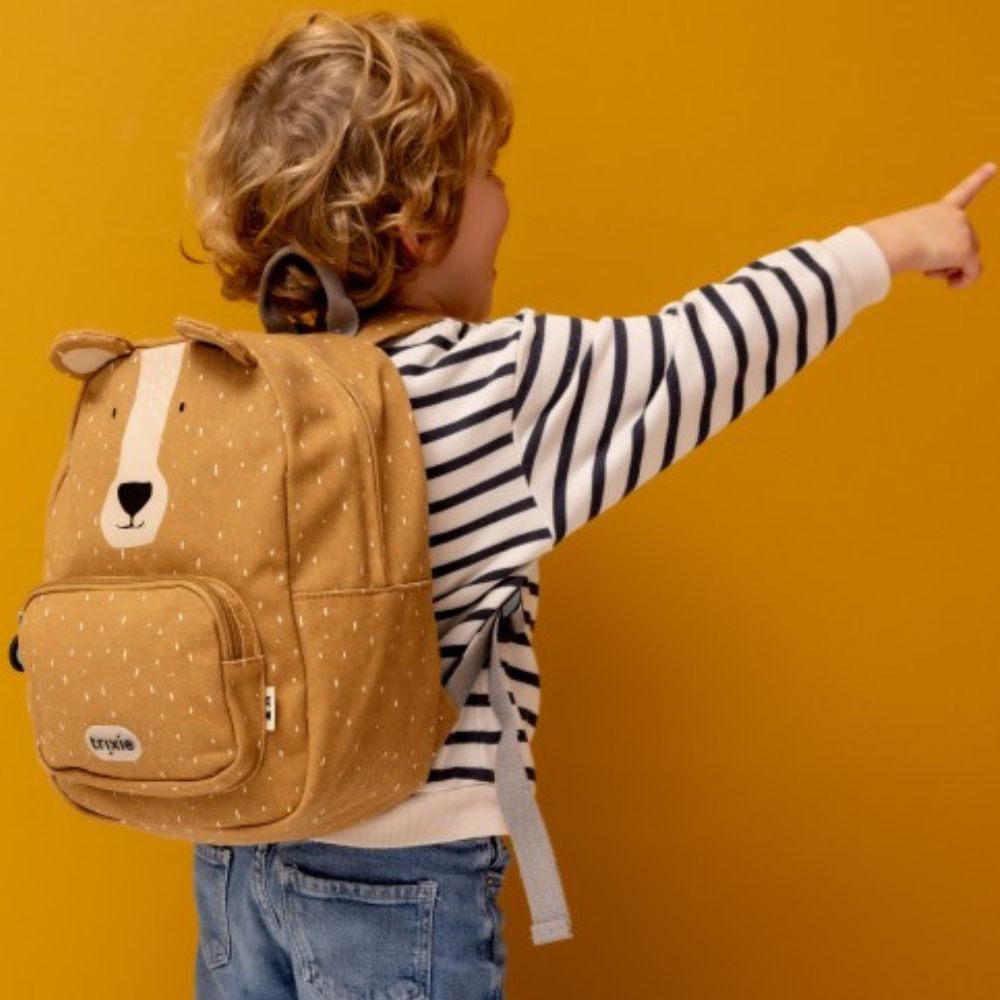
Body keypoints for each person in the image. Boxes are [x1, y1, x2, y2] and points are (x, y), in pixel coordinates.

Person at [183, 9, 993, 999]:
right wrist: (893, 242)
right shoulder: (487, 384)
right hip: (397, 879)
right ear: (418, 224)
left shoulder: (250, 392)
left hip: (235, 856)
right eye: (488, 173)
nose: (506, 199)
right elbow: (706, 349)